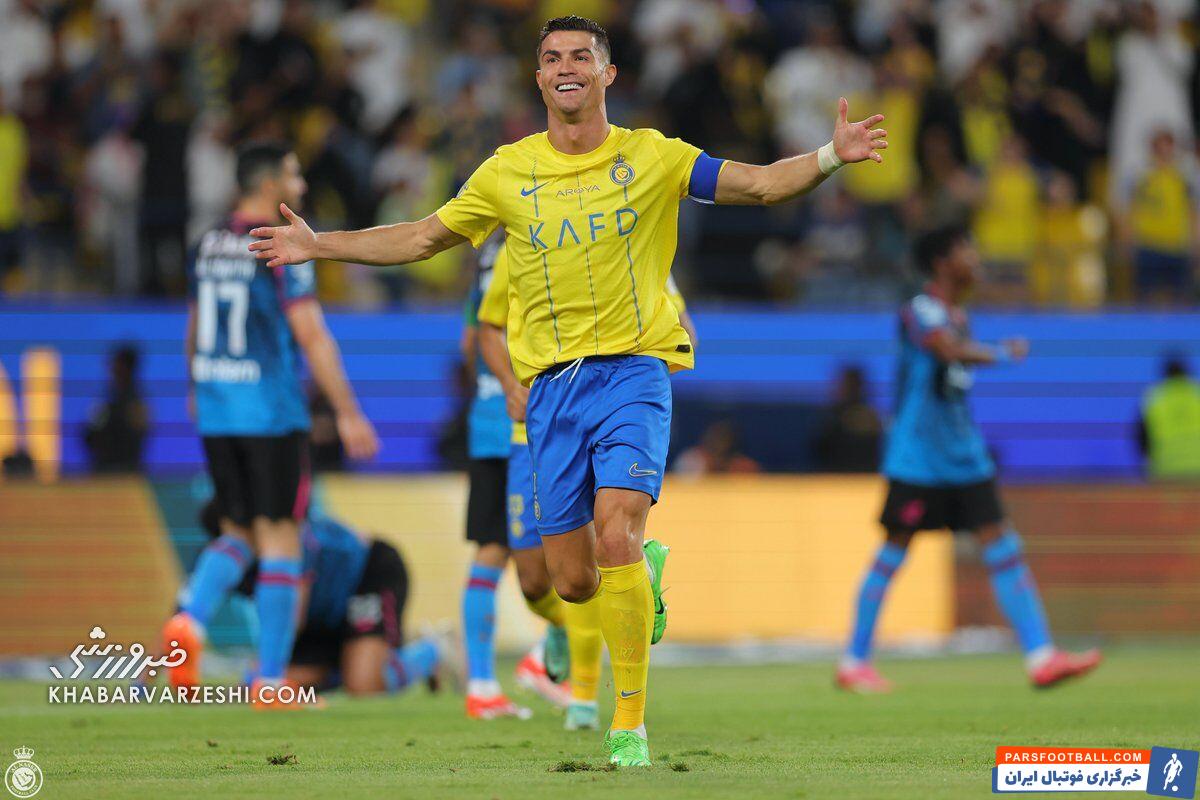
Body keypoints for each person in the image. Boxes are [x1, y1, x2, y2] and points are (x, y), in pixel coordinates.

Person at [249, 15, 887, 765]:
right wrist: (319, 244)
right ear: (539, 78)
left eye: (582, 55)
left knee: (616, 533)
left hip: (634, 372)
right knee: (574, 582)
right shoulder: (506, 172)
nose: (566, 67)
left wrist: (829, 156)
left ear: (607, 73)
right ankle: (640, 570)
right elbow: (421, 237)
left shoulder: (653, 156)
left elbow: (758, 184)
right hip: (550, 392)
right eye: (552, 57)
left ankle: (628, 725)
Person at [836, 225, 1101, 694]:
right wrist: (1003, 355)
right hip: (918, 459)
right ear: (942, 262)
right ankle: (854, 661)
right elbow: (947, 351)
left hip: (963, 457)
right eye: (966, 250)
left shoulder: (960, 316)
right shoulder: (921, 311)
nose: (976, 259)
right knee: (893, 552)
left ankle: (1042, 657)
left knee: (1004, 545)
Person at [164, 141, 379, 709]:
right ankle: (269, 680)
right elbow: (312, 334)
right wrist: (348, 412)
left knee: (238, 530)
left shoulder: (207, 241)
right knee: (282, 536)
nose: (301, 185)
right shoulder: (279, 244)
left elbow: (195, 324)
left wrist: (195, 385)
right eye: (294, 174)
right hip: (269, 411)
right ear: (268, 184)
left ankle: (189, 618)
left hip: (217, 405)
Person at [166, 501, 456, 697]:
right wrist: (145, 679)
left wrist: (265, 667)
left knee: (364, 685)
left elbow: (294, 617)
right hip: (320, 618)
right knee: (269, 685)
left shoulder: (288, 540)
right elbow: (179, 619)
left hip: (366, 578)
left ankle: (433, 651)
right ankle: (344, 662)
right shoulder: (219, 561)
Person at [459, 232, 570, 721]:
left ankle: (485, 683)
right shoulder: (540, 238)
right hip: (533, 419)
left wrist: (492, 388)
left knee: (493, 551)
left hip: (490, 418)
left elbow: (470, 342)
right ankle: (550, 656)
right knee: (565, 547)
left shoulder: (486, 257)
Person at [83, 344, 150, 473]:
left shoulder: (136, 404)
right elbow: (89, 436)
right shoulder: (108, 401)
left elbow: (134, 441)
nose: (112, 370)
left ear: (127, 369)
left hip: (123, 474)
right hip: (105, 471)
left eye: (117, 366)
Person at [1137, 355, 1200, 479]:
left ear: (1164, 375)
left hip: (1165, 471)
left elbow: (1142, 439)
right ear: (1187, 374)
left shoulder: (1154, 399)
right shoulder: (1197, 395)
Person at [812, 365, 882, 473]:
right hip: (830, 476)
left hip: (862, 476)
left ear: (859, 388)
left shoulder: (869, 417)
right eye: (843, 385)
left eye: (851, 386)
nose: (843, 390)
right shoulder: (829, 418)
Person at [673, 420, 761, 475]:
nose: (719, 442)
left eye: (724, 438)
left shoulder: (744, 467)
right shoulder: (691, 460)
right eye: (715, 437)